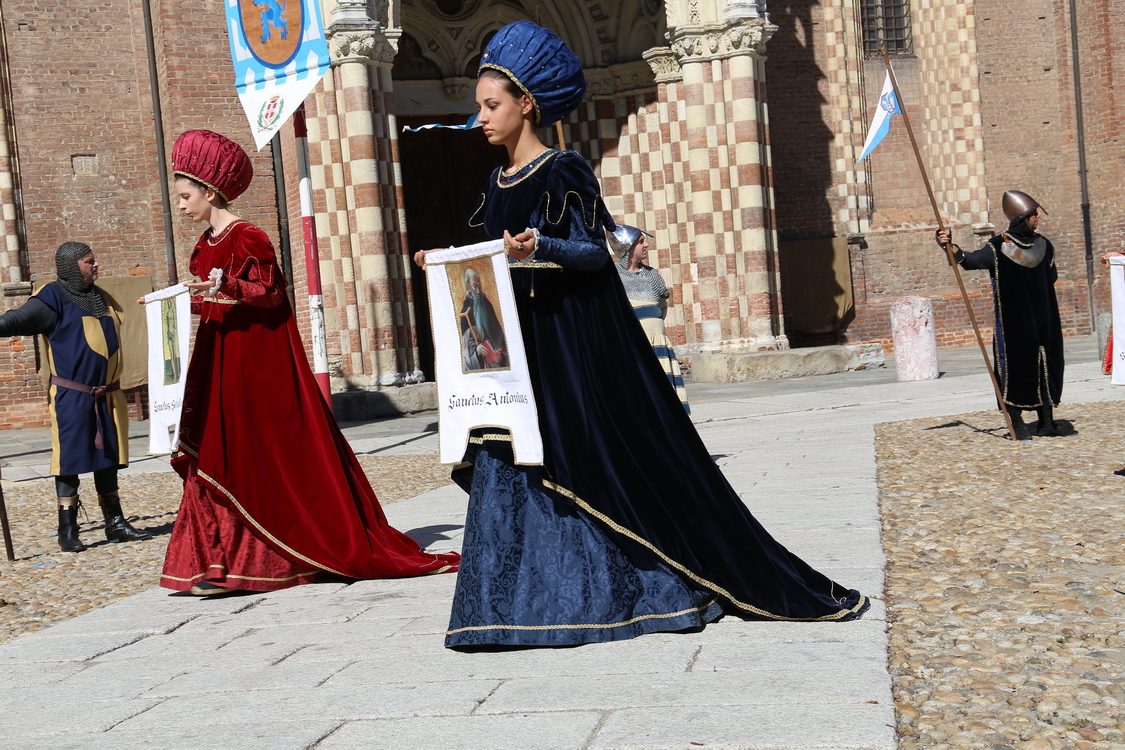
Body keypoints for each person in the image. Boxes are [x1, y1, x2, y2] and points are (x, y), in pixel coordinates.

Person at [414, 21, 868, 649]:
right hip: (512, 356)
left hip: (566, 351)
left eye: (492, 106)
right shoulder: (496, 184)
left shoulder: (562, 171)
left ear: (527, 104)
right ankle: (503, 606)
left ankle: (616, 595)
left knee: (580, 462)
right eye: (478, 107)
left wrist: (540, 244)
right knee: (508, 458)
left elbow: (593, 257)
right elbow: (495, 259)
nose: (482, 118)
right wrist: (452, 259)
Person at [158, 129, 459, 596]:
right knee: (213, 453)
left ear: (209, 191)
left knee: (248, 456)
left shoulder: (248, 237)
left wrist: (227, 290)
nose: (179, 204)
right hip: (216, 360)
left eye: (184, 195)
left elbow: (272, 295)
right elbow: (213, 303)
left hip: (253, 367)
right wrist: (175, 303)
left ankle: (261, 562)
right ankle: (216, 563)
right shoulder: (204, 244)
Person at [0, 243, 151, 552]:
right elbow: (15, 320)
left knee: (108, 458)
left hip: (107, 395)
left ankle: (115, 523)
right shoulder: (51, 298)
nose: (97, 266)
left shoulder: (99, 297)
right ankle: (67, 529)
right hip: (72, 395)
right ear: (70, 266)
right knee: (69, 460)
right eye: (89, 261)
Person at [936, 190, 1064, 440]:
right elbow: (969, 260)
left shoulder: (1044, 245)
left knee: (1046, 366)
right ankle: (1017, 423)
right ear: (1023, 217)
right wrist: (949, 246)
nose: (1038, 217)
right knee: (1015, 370)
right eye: (1034, 213)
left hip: (1044, 320)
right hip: (1013, 323)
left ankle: (1047, 422)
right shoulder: (997, 247)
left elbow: (1052, 276)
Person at [610, 224, 690, 412]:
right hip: (633, 344)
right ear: (627, 247)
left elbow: (662, 309)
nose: (646, 245)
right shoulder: (613, 276)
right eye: (641, 242)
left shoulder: (653, 276)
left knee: (667, 397)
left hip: (658, 343)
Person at [459, 267, 507, 370]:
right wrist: (477, 350)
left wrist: (501, 353)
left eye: (479, 287)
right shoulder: (466, 312)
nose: (478, 291)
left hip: (495, 361)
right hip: (480, 362)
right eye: (474, 287)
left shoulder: (487, 305)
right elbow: (465, 349)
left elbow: (498, 335)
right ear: (468, 287)